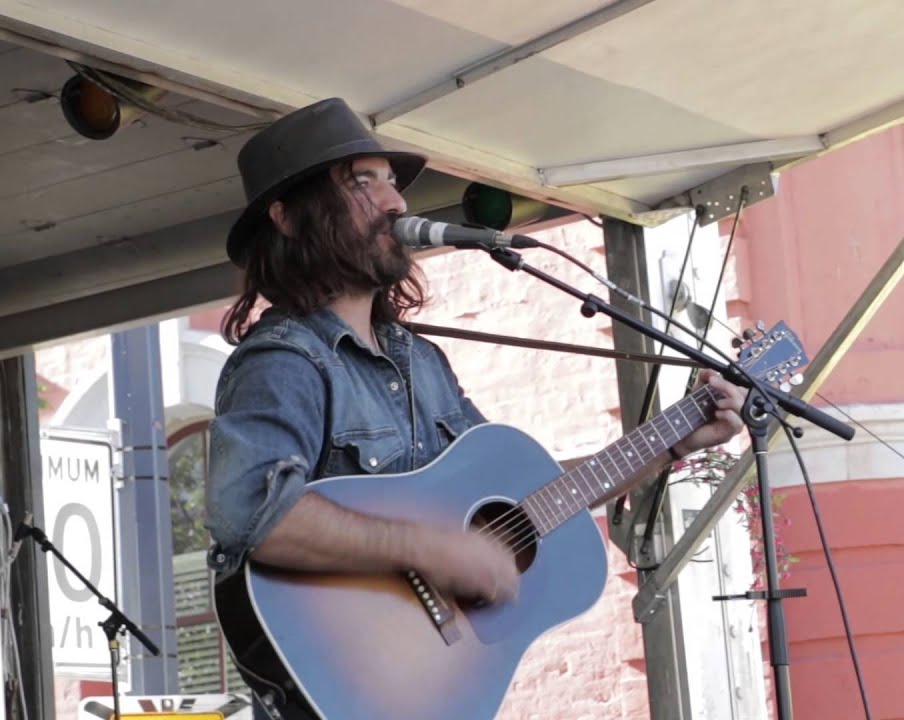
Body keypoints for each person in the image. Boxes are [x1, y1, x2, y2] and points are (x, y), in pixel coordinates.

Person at [204, 98, 746, 719]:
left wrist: (674, 440)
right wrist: (431, 550)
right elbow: (254, 517)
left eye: (392, 182)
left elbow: (524, 503)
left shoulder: (421, 361)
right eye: (363, 183)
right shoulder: (284, 361)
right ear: (289, 218)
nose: (397, 203)